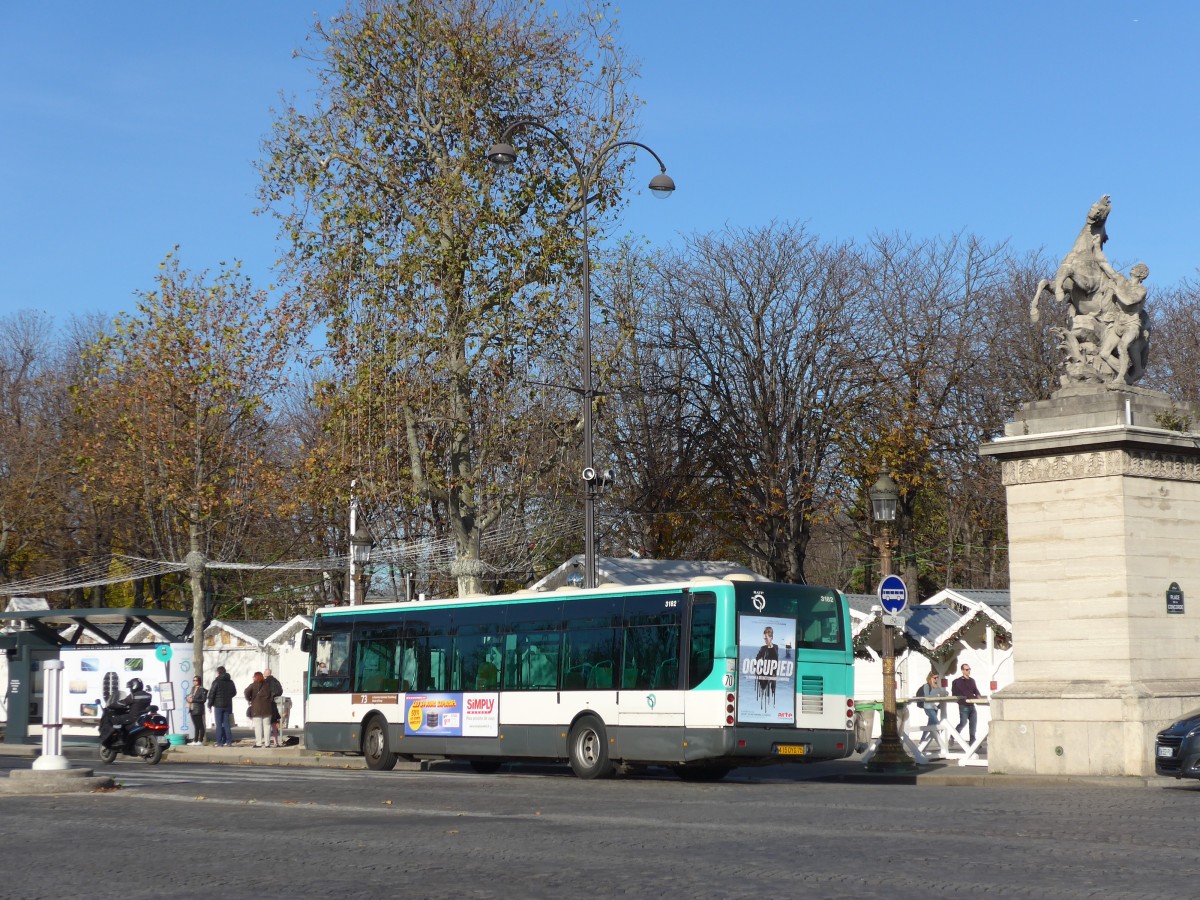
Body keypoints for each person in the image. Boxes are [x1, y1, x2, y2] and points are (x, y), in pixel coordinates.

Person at [100, 677, 152, 745]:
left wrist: (111, 705)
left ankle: (121, 739)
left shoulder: (133, 696)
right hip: (142, 716)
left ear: (134, 686)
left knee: (116, 719)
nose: (130, 689)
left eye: (130, 687)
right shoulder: (148, 695)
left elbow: (122, 703)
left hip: (132, 717)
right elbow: (138, 705)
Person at [951, 663, 983, 745]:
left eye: (969, 669)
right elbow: (966, 692)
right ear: (962, 671)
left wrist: (979, 696)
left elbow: (975, 690)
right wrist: (976, 698)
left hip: (971, 705)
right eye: (966, 669)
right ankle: (953, 736)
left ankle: (972, 743)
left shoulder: (972, 680)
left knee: (973, 725)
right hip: (963, 705)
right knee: (963, 722)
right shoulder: (959, 681)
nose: (968, 671)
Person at [207, 666, 237, 748]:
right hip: (227, 705)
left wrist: (209, 704)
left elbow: (212, 694)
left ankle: (219, 742)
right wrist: (228, 697)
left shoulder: (216, 682)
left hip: (218, 706)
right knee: (227, 724)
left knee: (219, 724)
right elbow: (234, 692)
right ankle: (229, 742)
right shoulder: (230, 682)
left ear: (218, 673)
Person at [244, 671, 275, 748]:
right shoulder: (267, 686)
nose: (253, 678)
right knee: (267, 726)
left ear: (255, 677)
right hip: (267, 708)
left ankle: (259, 743)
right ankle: (267, 743)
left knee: (258, 727)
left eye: (253, 676)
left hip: (256, 709)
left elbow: (246, 692)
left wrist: (249, 699)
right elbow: (272, 694)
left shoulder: (252, 685)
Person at [754, 626, 779, 709]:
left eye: (766, 638)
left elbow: (776, 659)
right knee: (763, 696)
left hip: (773, 675)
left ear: (771, 637)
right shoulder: (763, 648)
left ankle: (772, 709)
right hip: (764, 675)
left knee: (772, 694)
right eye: (764, 638)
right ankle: (762, 709)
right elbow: (756, 659)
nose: (765, 640)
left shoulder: (776, 647)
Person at [263, 668, 284, 747]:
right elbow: (280, 691)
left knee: (267, 724)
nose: (263, 673)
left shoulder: (265, 682)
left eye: (264, 672)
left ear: (267, 673)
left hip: (267, 704)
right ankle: (276, 742)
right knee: (274, 724)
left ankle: (267, 742)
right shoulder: (276, 681)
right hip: (274, 704)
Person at [187, 675, 208, 745]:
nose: (194, 682)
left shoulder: (202, 689)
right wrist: (187, 698)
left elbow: (203, 700)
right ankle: (195, 740)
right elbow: (190, 696)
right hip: (192, 708)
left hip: (198, 709)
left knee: (200, 726)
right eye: (193, 680)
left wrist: (193, 700)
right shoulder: (193, 688)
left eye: (196, 680)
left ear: (199, 681)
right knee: (196, 726)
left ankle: (200, 740)